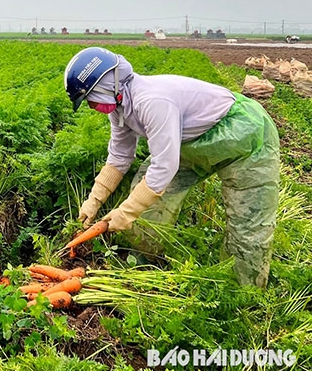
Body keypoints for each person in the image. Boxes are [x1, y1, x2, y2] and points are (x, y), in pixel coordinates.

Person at [64, 47, 279, 287]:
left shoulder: (152, 101)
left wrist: (125, 213)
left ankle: (243, 291)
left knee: (248, 220)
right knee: (147, 199)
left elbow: (164, 166)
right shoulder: (120, 108)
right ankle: (142, 265)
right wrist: (94, 201)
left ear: (105, 86)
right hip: (194, 141)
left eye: (90, 99)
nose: (91, 106)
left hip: (245, 132)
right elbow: (120, 157)